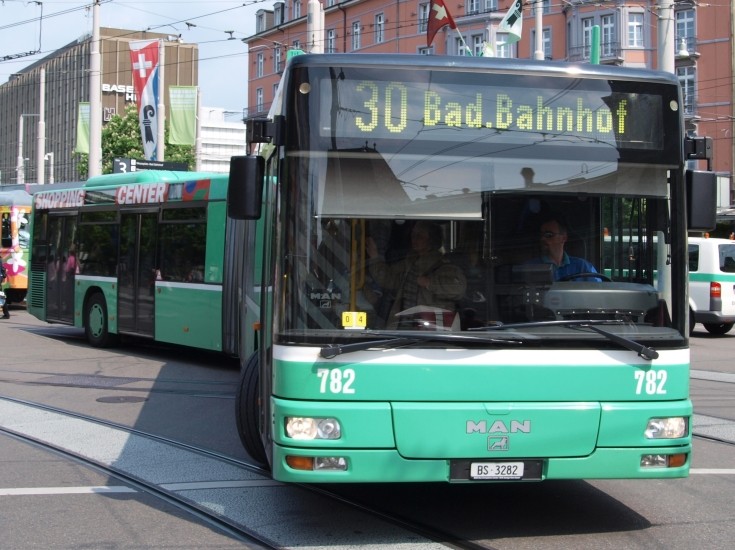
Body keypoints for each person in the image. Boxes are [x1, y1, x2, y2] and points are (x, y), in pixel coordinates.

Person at [366, 221, 467, 329]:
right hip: (403, 327)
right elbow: (388, 279)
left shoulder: (444, 265)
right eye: (413, 235)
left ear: (432, 239)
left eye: (420, 236)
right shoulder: (409, 262)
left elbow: (459, 289)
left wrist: (430, 283)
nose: (414, 239)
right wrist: (374, 257)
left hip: (432, 332)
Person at [530, 217, 600, 281]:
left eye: (549, 235)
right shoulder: (530, 268)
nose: (543, 239)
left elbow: (599, 292)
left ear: (563, 238)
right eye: (541, 235)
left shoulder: (583, 267)